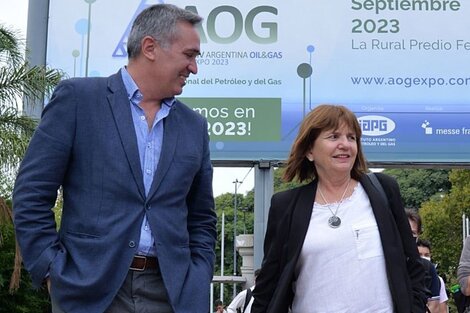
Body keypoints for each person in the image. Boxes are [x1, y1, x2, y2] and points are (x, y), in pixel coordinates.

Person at [12, 4, 216, 313]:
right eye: (189, 55)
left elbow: (202, 218)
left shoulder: (193, 126)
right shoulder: (78, 100)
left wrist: (198, 274)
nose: (194, 67)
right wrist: (53, 270)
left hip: (172, 295)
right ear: (150, 48)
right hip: (87, 291)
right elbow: (31, 194)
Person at [251, 104, 428, 313]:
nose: (345, 144)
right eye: (334, 137)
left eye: (351, 137)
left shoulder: (384, 190)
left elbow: (413, 264)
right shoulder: (286, 206)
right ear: (309, 150)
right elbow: (269, 285)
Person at [407, 208, 441, 312]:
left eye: (413, 234)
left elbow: (434, 305)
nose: (407, 237)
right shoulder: (384, 263)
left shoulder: (426, 267)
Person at [417, 239, 449, 313]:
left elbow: (442, 310)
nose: (423, 258)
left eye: (426, 255)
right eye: (420, 254)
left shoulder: (438, 281)